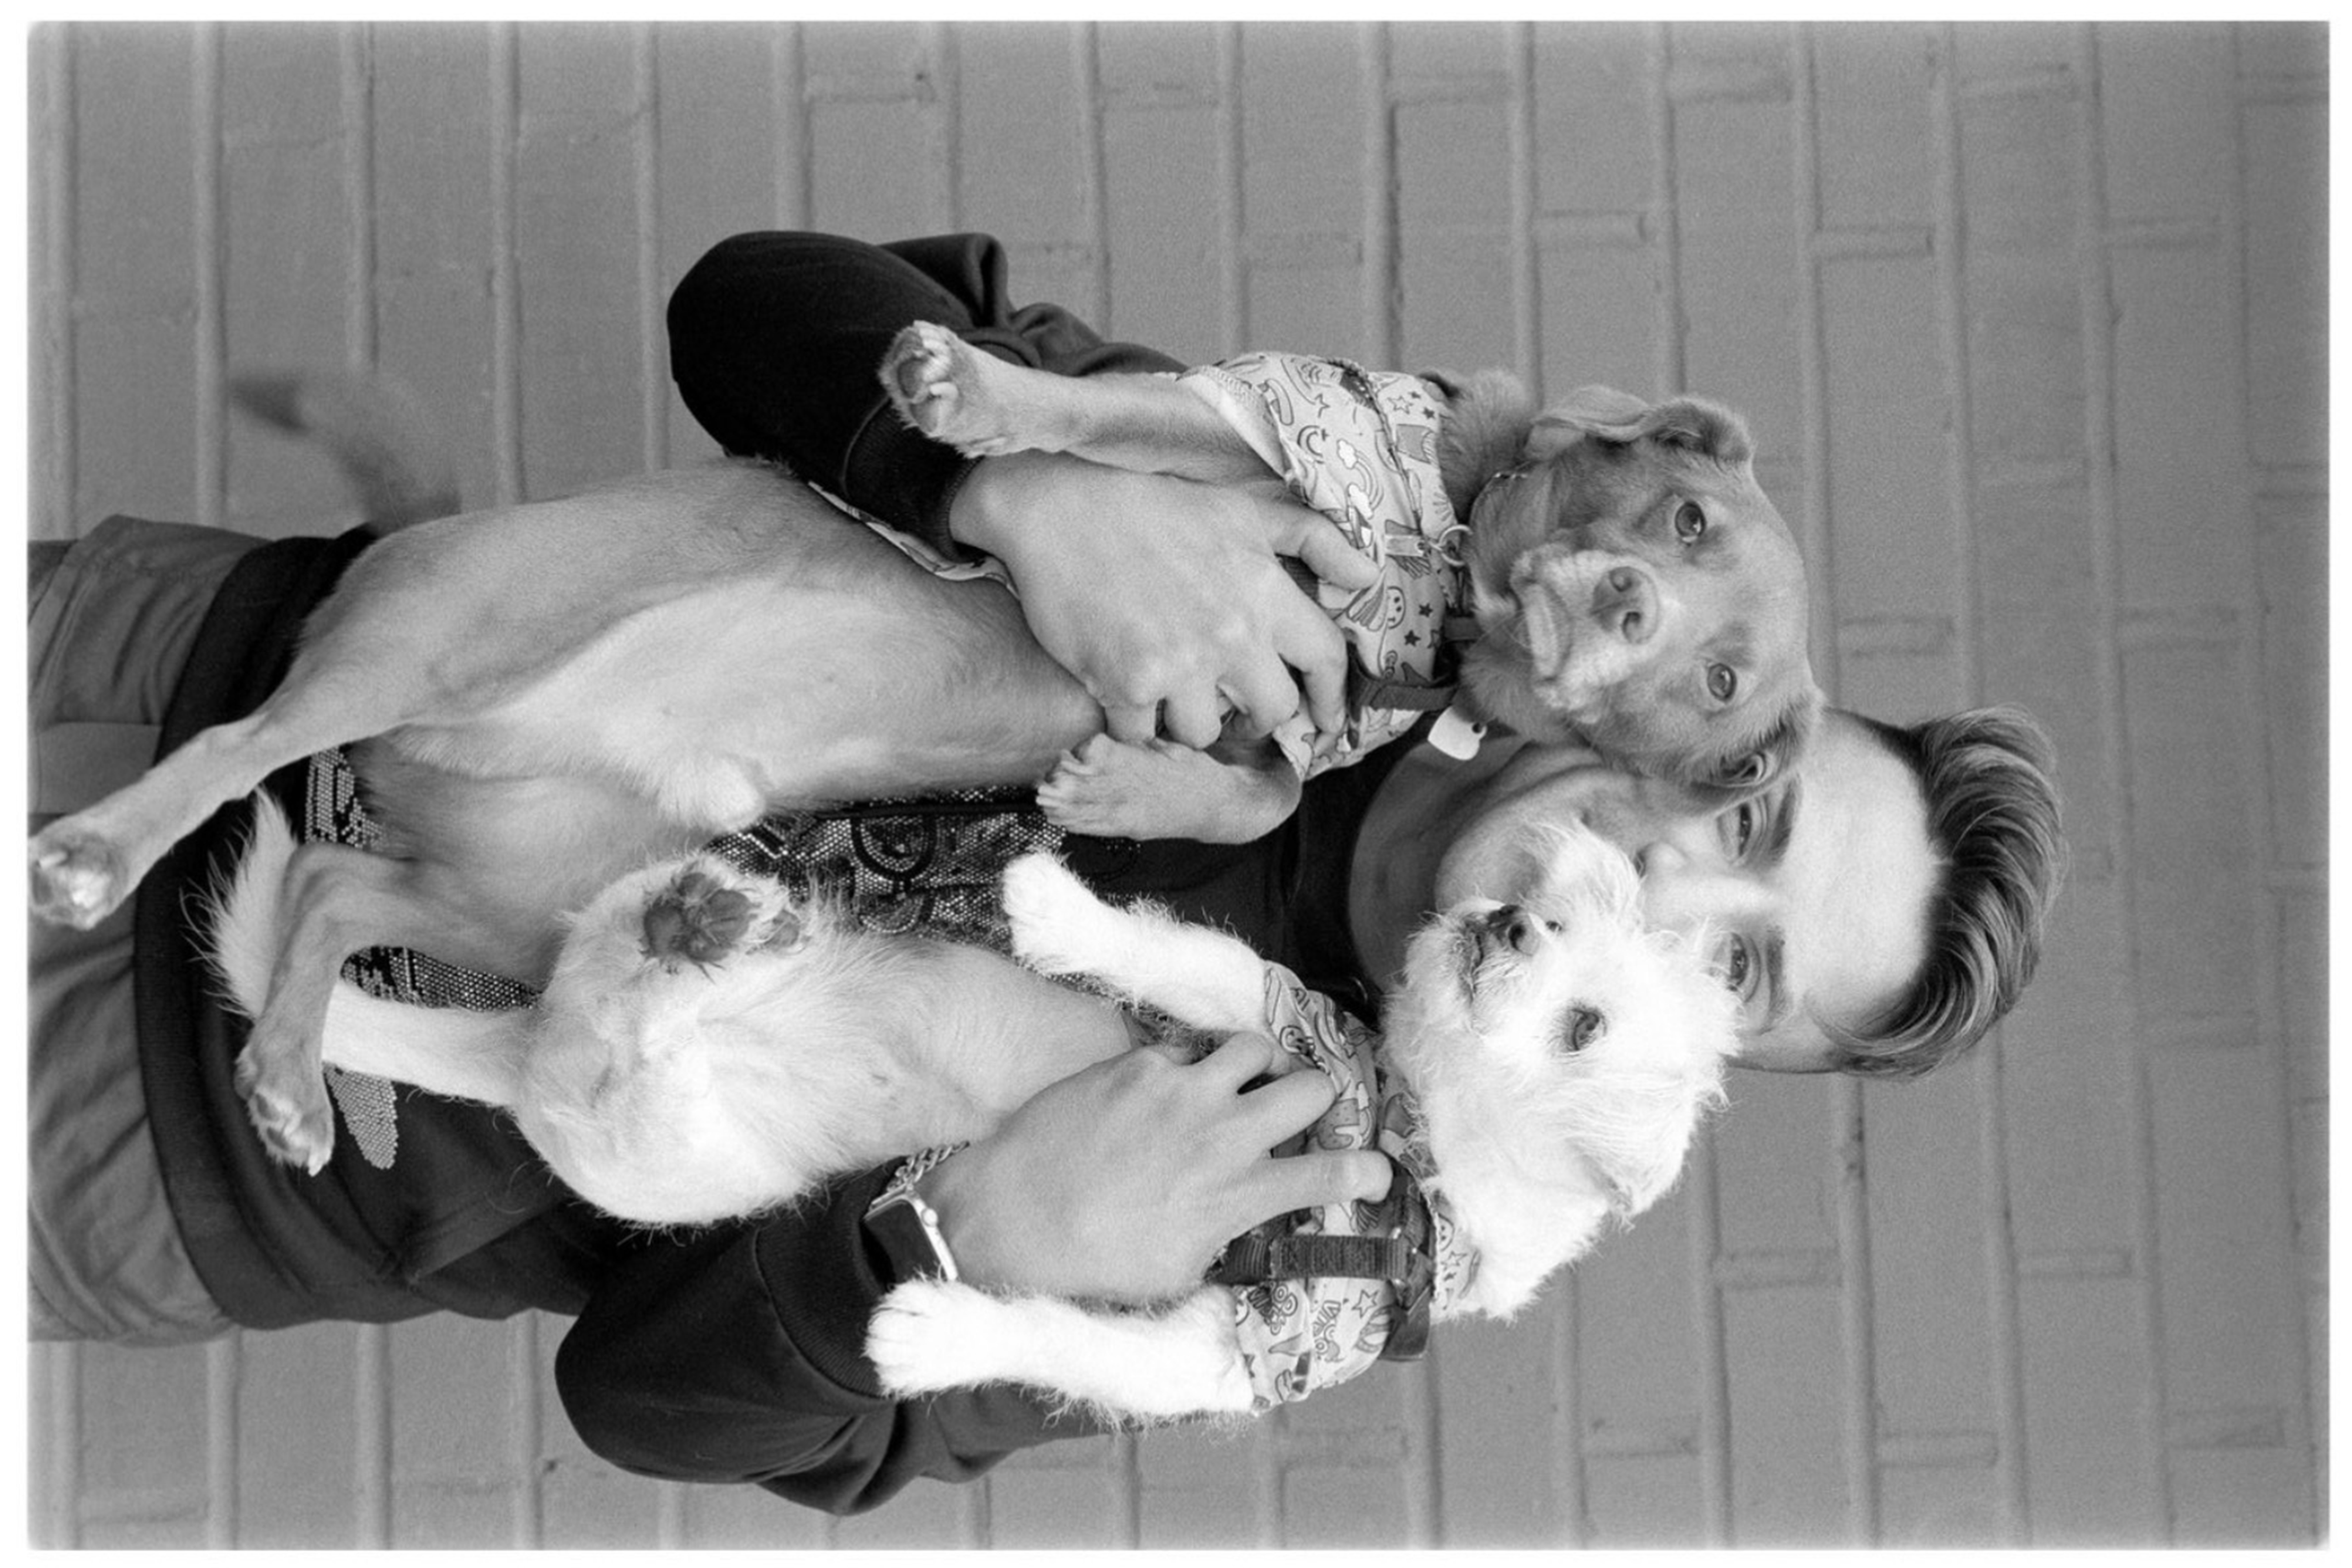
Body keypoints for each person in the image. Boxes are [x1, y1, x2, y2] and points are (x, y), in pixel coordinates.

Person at [27, 230, 2062, 1514]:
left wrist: (970, 1236)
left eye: (1745, 970)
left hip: (157, 1138)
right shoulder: (1329, 556)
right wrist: (1014, 488)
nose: (1680, 877)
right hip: (174, 670)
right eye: (1752, 814)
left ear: (1672, 1101)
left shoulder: (1298, 1225)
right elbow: (752, 306)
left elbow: (654, 1410)